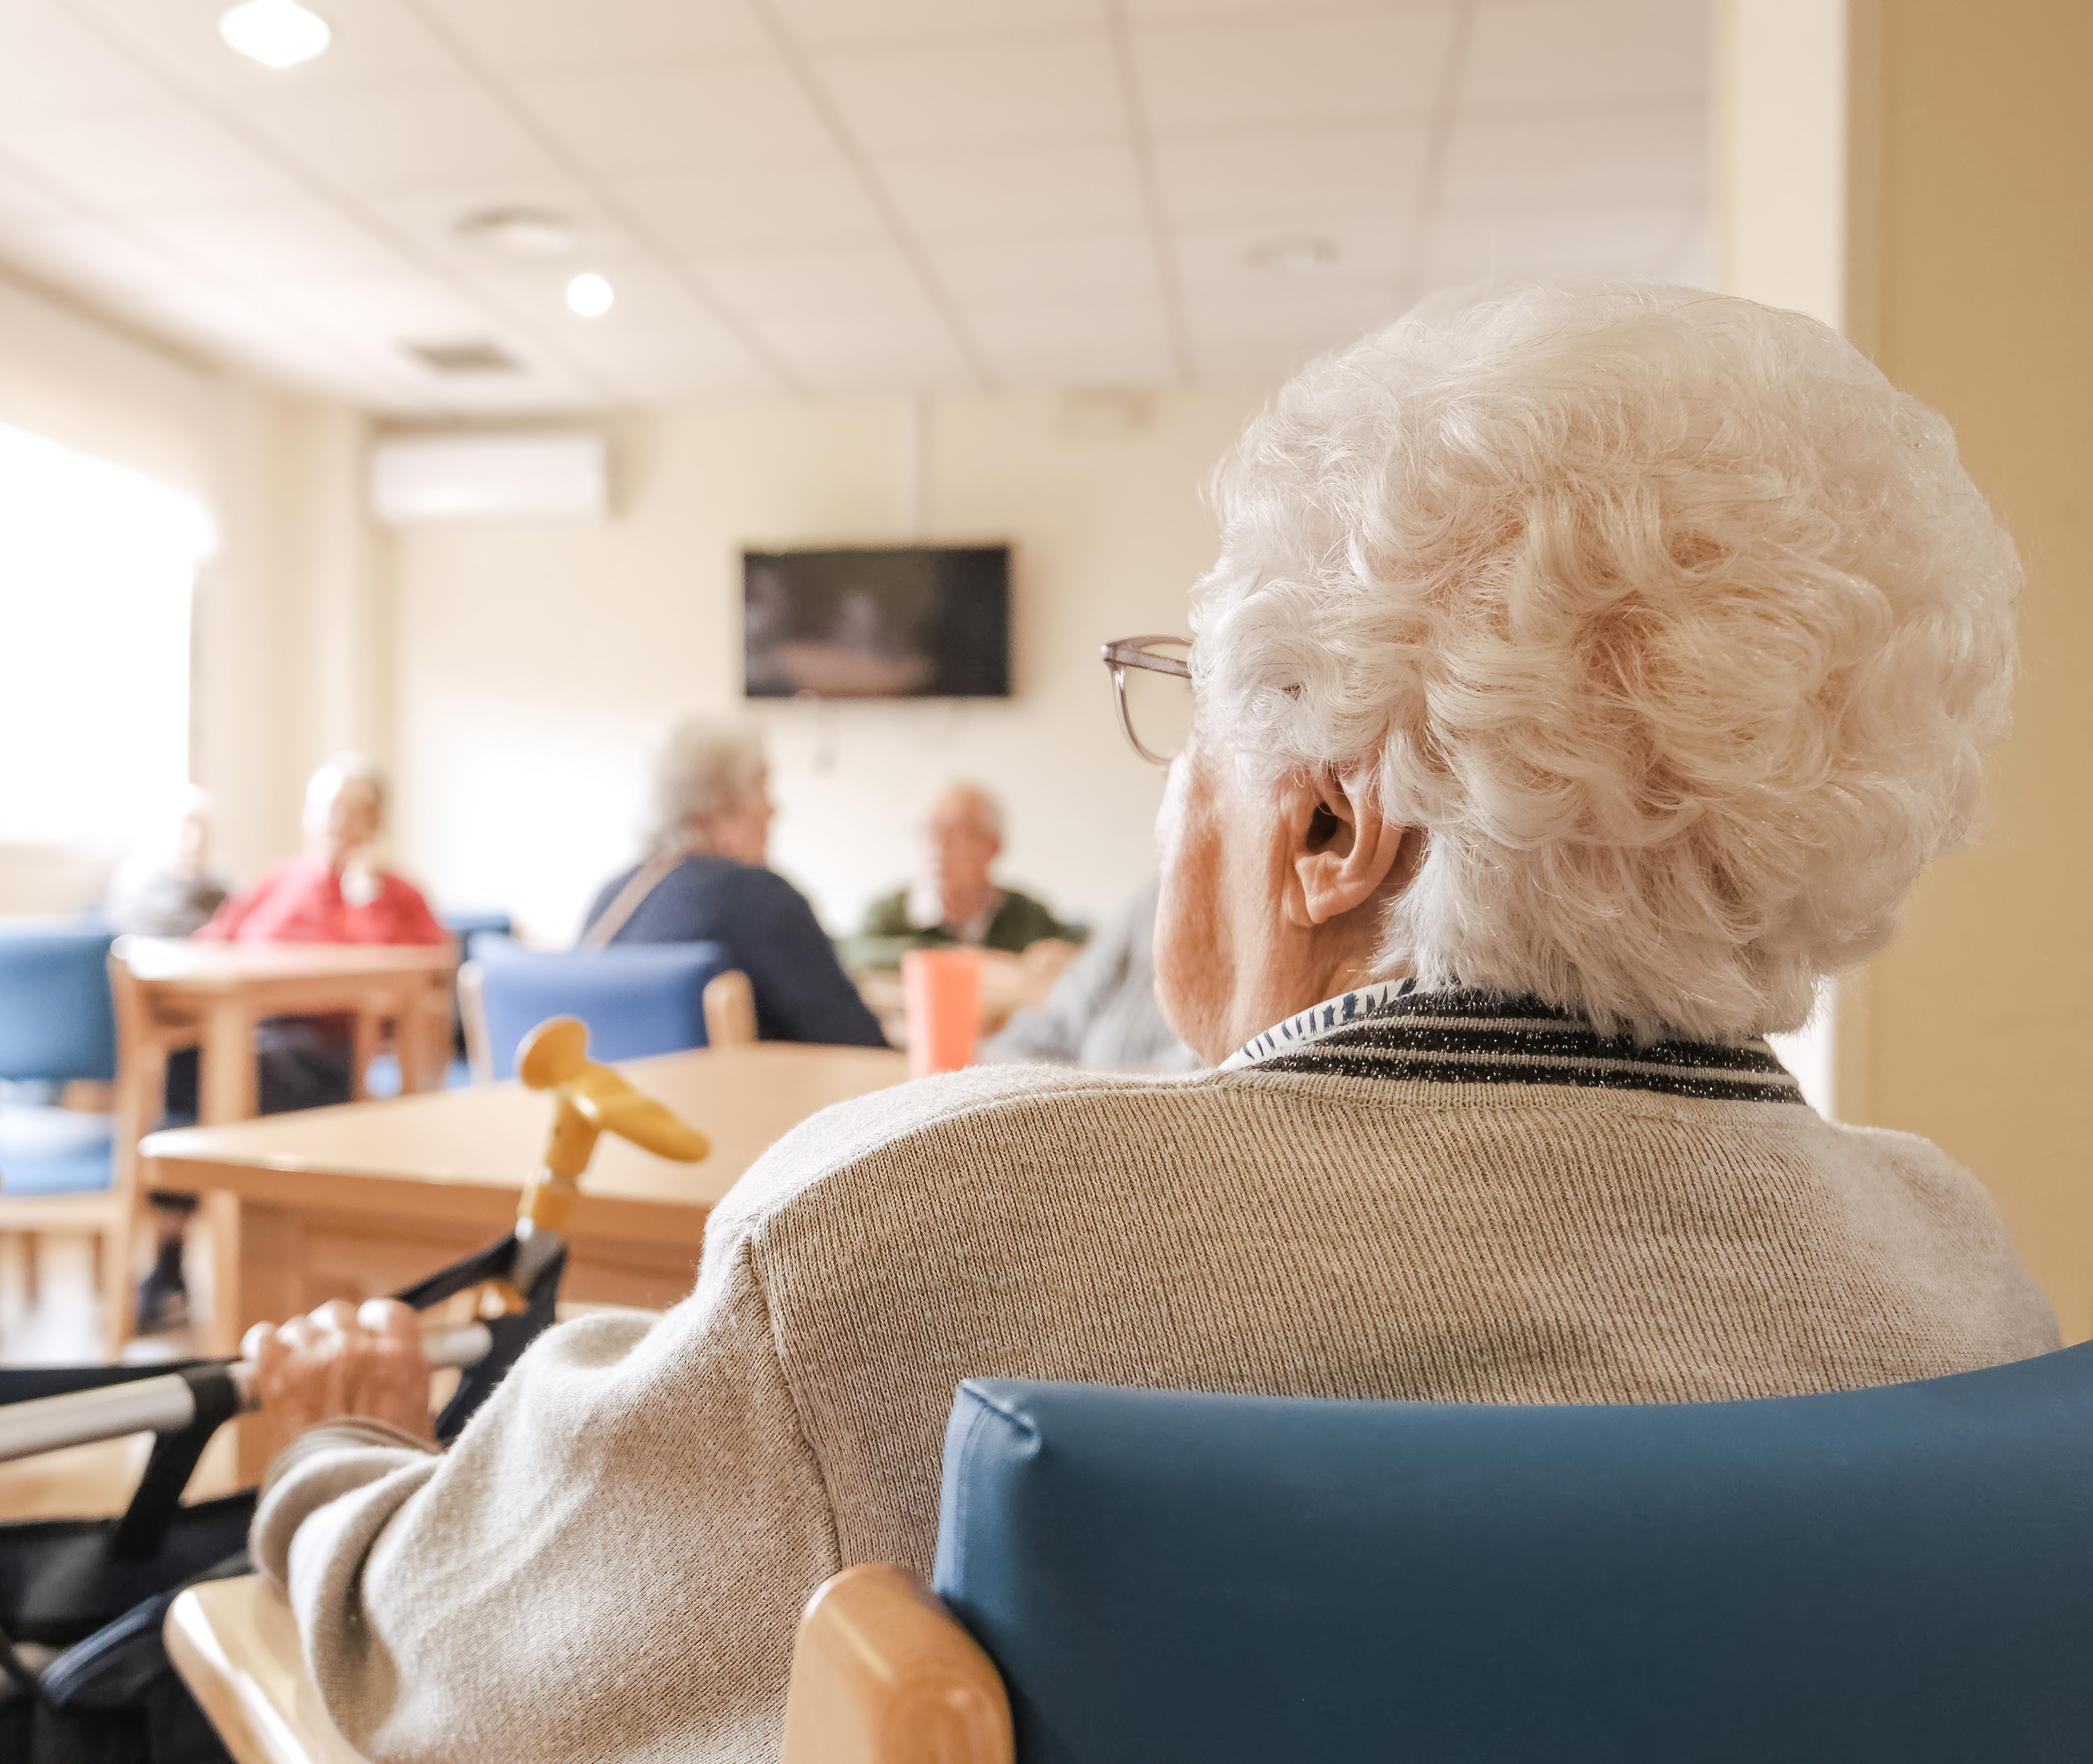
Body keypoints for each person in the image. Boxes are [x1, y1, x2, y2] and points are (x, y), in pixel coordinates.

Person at [236, 285, 2059, 1761]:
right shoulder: (1961, 1284)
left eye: (1191, 714)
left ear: (1329, 825)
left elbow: (440, 1679)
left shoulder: (909, 1237)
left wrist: (338, 1456)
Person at [136, 758, 447, 1333]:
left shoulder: (395, 895)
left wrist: (365, 901)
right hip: (246, 1032)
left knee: (212, 1084)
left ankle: (181, 1268)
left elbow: (422, 975)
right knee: (187, 1068)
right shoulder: (277, 881)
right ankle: (170, 1259)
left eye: (350, 811)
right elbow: (215, 942)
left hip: (330, 1050)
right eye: (324, 809)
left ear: (375, 821)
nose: (333, 823)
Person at [576, 719, 886, 1047]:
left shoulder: (614, 895)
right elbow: (860, 1047)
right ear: (718, 808)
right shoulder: (762, 899)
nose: (773, 810)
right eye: (761, 789)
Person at [976, 880, 1193, 1073]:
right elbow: (1065, 1011)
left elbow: (1194, 1074)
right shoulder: (1153, 902)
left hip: (1126, 1101)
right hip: (1079, 1084)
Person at [853, 783, 1075, 965]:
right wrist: (973, 961)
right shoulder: (887, 916)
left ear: (993, 846)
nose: (939, 845)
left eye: (957, 832)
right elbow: (855, 958)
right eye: (929, 830)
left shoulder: (1029, 916)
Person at [102, 785, 230, 938]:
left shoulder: (220, 885)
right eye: (186, 832)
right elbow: (139, 937)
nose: (195, 842)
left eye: (204, 832)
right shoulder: (138, 882)